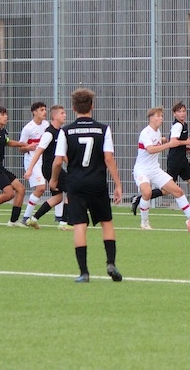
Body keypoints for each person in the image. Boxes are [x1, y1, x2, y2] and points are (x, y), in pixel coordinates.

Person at [51, 88, 123, 282]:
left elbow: (58, 161)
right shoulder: (103, 129)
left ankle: (84, 272)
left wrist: (54, 179)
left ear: (73, 108)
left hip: (76, 184)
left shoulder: (66, 131)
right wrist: (118, 184)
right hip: (97, 183)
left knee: (79, 225)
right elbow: (108, 158)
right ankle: (111, 263)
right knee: (106, 222)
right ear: (92, 106)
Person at [130, 101, 190, 215]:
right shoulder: (177, 126)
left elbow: (169, 142)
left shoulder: (160, 131)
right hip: (174, 161)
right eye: (179, 111)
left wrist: (183, 147)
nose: (182, 113)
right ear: (174, 114)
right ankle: (139, 200)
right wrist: (185, 142)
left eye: (184, 111)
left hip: (181, 160)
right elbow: (172, 142)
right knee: (166, 191)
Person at [22, 104, 72, 229]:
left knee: (58, 197)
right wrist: (30, 169)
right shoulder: (49, 133)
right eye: (62, 113)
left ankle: (33, 219)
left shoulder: (60, 132)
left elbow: (61, 153)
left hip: (55, 167)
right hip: (50, 168)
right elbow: (39, 151)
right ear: (54, 116)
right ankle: (64, 223)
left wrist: (71, 164)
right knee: (72, 189)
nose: (65, 115)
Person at [18, 102, 48, 227]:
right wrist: (28, 147)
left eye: (45, 109)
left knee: (56, 187)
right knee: (41, 188)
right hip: (32, 161)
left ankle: (60, 217)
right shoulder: (28, 128)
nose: (44, 112)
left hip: (44, 161)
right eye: (41, 110)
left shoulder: (46, 125)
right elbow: (21, 148)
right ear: (34, 112)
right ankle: (25, 217)